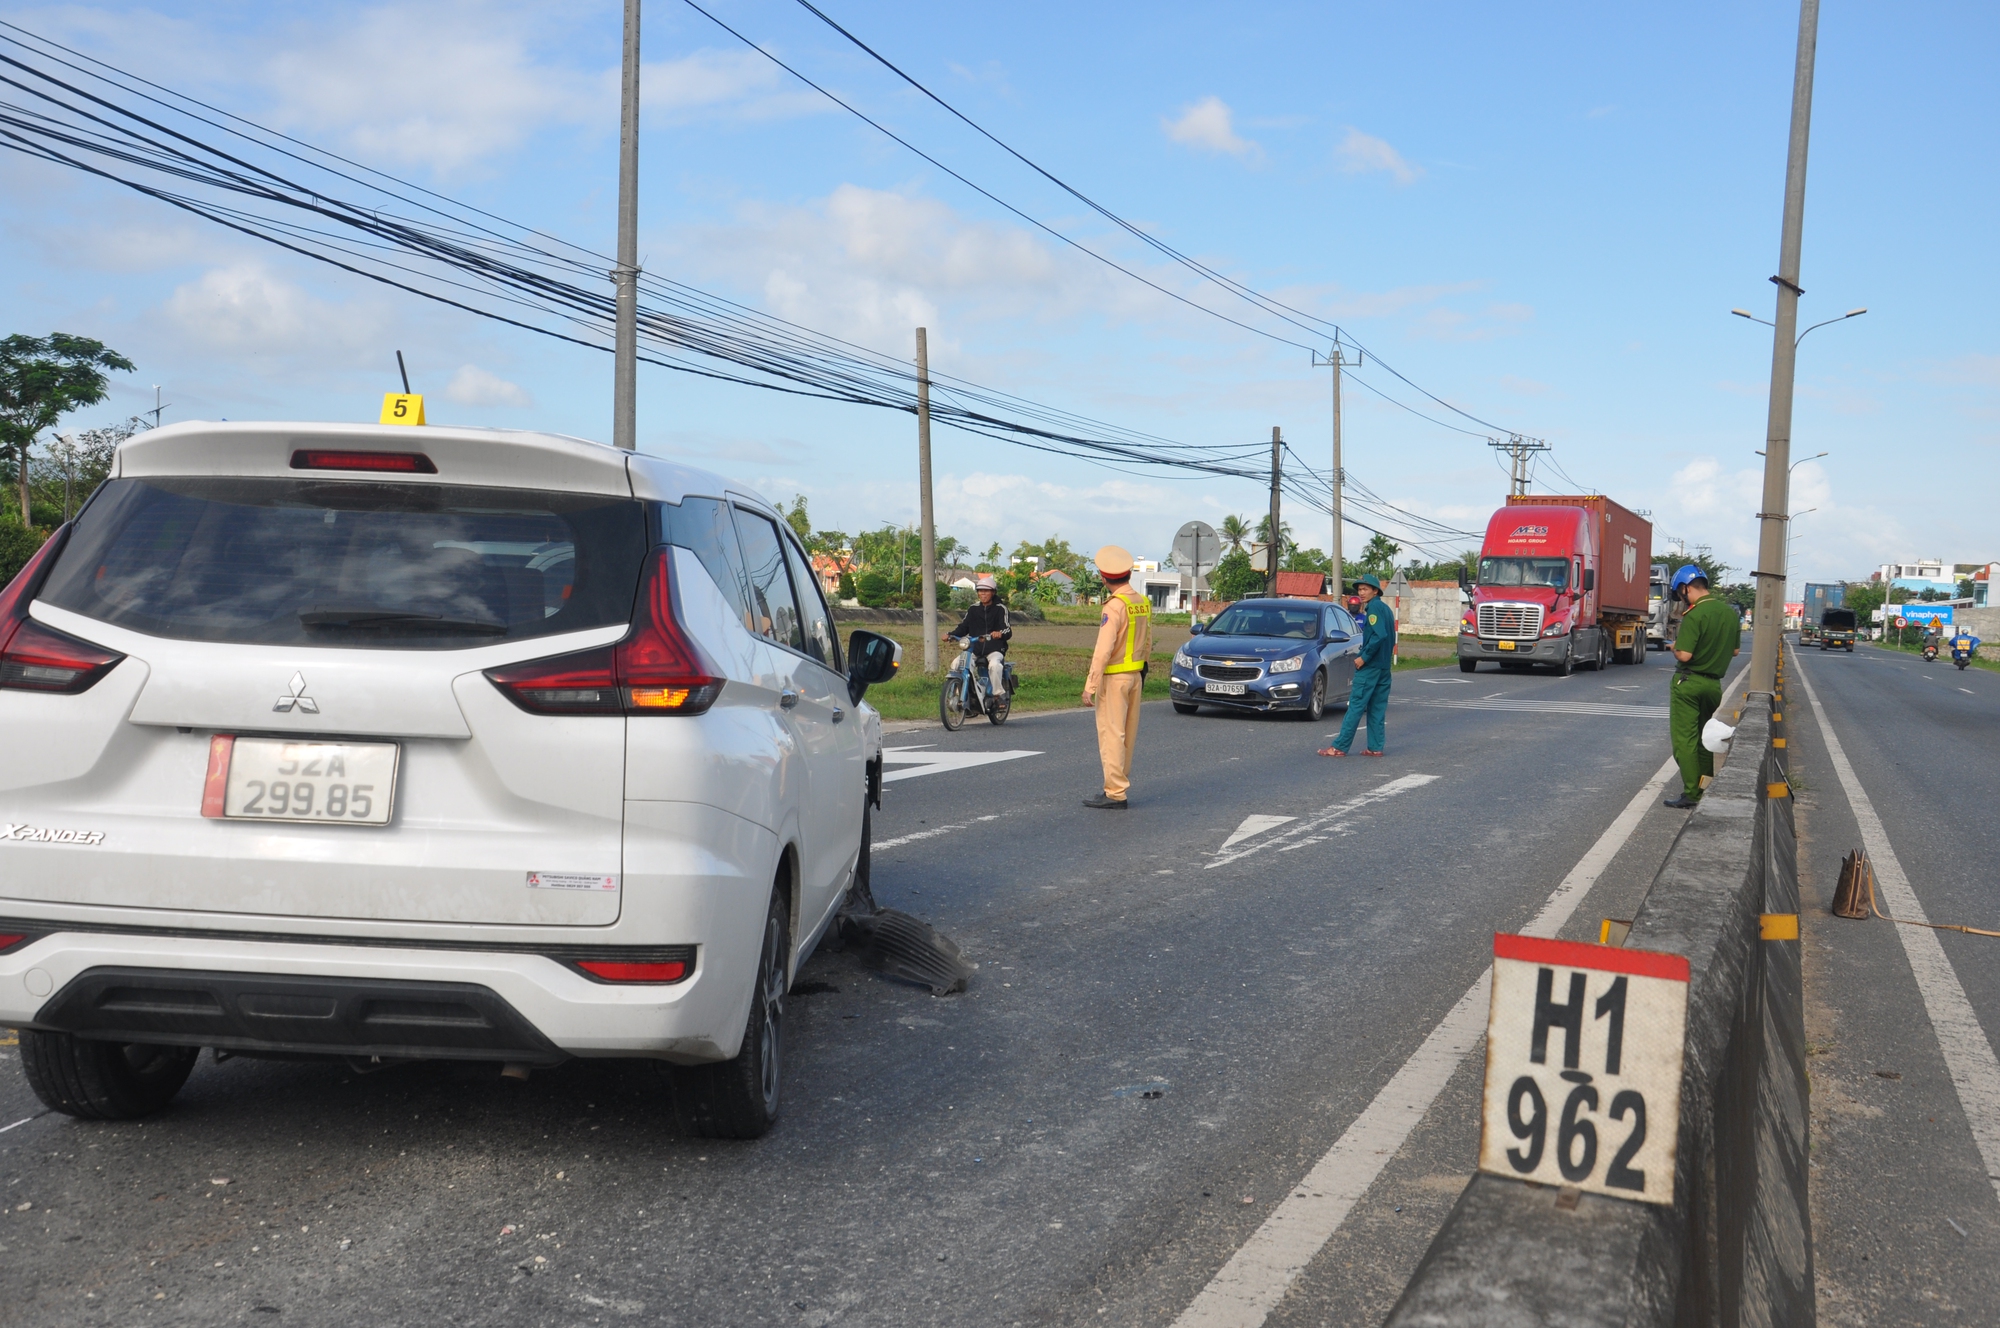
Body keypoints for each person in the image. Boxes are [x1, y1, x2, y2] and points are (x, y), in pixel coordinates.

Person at [1664, 565, 1741, 809]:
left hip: (1688, 683)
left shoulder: (1695, 615)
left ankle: (1692, 793)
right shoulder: (1729, 613)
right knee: (1705, 739)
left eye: (1680, 592)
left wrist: (1674, 647)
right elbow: (1736, 650)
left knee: (1684, 742)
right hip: (1713, 685)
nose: (1681, 597)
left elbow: (1685, 655)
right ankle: (1705, 787)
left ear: (1686, 588)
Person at [1082, 545, 1152, 809]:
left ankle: (1115, 792)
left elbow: (1103, 649)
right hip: (1135, 676)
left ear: (1103, 577)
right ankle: (1118, 785)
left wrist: (1090, 685)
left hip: (1114, 679)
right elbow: (1147, 642)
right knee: (1128, 735)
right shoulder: (1141, 602)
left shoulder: (1114, 606)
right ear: (1128, 575)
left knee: (1112, 735)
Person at [1319, 573, 1395, 758]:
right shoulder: (1385, 609)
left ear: (1375, 590)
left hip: (1370, 667)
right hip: (1384, 667)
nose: (1361, 593)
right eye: (1360, 589)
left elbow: (1379, 635)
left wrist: (1364, 657)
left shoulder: (1374, 608)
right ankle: (1375, 747)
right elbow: (1390, 637)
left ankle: (1339, 746)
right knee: (1377, 708)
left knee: (1355, 706)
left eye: (1365, 589)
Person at [942, 574, 1012, 701]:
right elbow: (963, 627)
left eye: (986, 591)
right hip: (974, 648)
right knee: (956, 663)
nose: (983, 594)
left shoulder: (1000, 609)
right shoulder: (973, 609)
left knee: (995, 666)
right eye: (980, 591)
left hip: (995, 649)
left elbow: (1007, 629)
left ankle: (998, 695)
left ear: (993, 592)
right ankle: (959, 694)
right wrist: (951, 635)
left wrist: (999, 633)